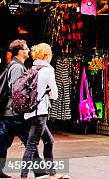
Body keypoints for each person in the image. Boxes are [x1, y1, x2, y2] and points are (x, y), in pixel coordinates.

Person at [20, 43, 68, 179]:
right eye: (51, 54)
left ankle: (52, 173)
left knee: (49, 140)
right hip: (39, 112)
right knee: (31, 145)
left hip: (30, 112)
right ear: (47, 55)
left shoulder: (33, 68)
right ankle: (23, 175)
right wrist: (48, 93)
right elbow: (56, 94)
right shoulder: (48, 70)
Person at [0, 40, 30, 179]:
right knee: (31, 142)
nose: (28, 50)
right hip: (14, 113)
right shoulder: (17, 67)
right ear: (20, 51)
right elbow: (17, 91)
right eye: (26, 48)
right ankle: (41, 172)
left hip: (9, 113)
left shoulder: (16, 65)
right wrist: (24, 108)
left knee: (4, 143)